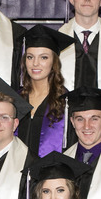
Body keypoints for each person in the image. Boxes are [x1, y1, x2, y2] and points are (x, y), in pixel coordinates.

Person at [18, 25, 75, 157]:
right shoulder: (15, 99)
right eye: (30, 57)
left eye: (43, 57)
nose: (35, 63)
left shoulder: (66, 103)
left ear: (54, 62)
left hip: (51, 174)